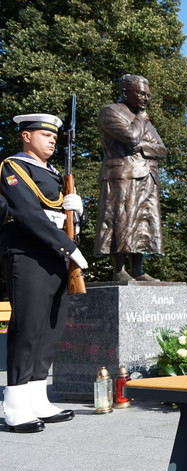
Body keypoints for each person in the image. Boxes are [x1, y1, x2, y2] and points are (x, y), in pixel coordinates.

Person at [1, 113, 89, 433]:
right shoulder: (13, 168)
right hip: (27, 253)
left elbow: (64, 218)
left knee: (51, 327)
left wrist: (79, 212)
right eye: (44, 134)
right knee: (28, 326)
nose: (52, 139)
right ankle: (14, 405)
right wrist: (67, 245)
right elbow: (27, 213)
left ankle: (37, 397)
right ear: (26, 136)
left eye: (54, 136)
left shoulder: (54, 175)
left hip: (55, 256)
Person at [95, 74, 166, 281]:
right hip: (121, 176)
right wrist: (140, 121)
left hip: (146, 177)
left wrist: (141, 146)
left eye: (148, 94)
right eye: (141, 93)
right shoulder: (110, 112)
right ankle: (119, 270)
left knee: (143, 224)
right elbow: (130, 136)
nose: (146, 98)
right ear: (126, 93)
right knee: (121, 220)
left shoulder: (142, 119)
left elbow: (162, 150)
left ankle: (138, 268)